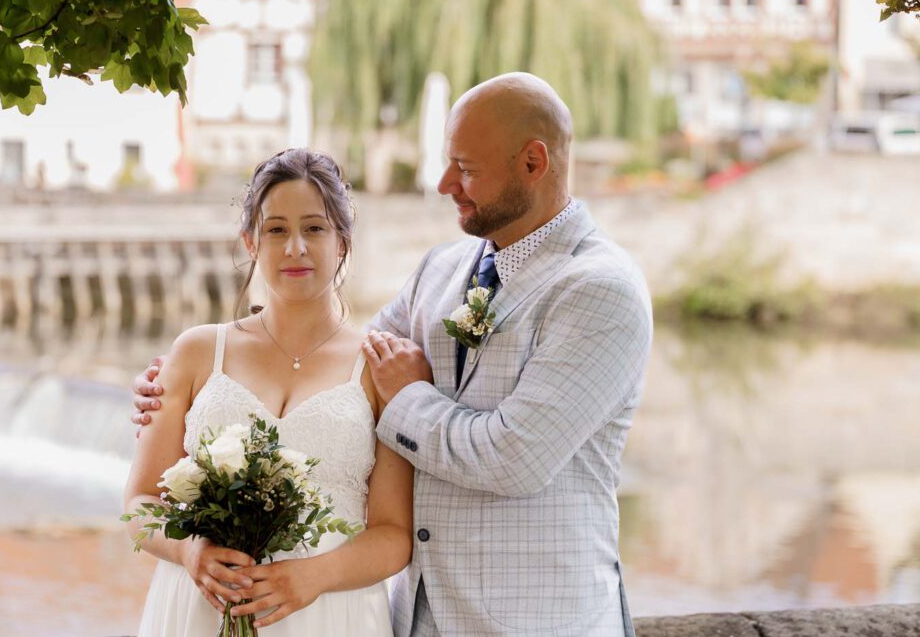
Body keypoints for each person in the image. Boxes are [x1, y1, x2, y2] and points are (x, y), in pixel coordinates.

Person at [134, 72, 652, 636]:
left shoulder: (599, 288)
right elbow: (341, 360)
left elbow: (515, 457)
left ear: (533, 162)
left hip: (539, 618)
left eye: (467, 168)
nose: (443, 182)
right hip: (422, 617)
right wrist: (172, 390)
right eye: (276, 230)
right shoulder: (443, 269)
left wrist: (404, 399)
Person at [123, 148, 414, 636]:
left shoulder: (377, 368)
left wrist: (313, 578)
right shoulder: (196, 351)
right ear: (251, 241)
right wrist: (187, 550)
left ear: (342, 242)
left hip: (328, 614)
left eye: (315, 229)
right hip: (201, 607)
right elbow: (139, 502)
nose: (295, 247)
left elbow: (393, 535)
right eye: (276, 229)